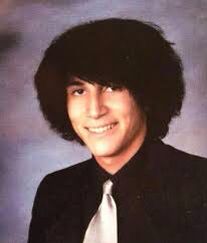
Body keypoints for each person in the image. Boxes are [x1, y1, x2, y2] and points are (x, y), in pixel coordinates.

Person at [27, 18, 207, 243]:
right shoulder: (55, 191)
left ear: (148, 95)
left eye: (112, 87)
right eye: (79, 91)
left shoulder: (200, 184)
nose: (94, 110)